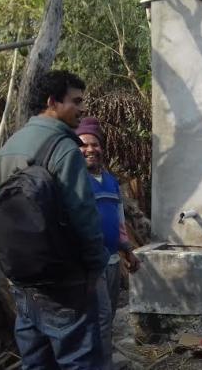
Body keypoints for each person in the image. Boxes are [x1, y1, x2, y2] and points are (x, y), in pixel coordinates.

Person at [0, 70, 109, 368]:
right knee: (79, 360)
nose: (82, 109)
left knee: (37, 363)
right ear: (51, 102)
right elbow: (84, 215)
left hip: (23, 281)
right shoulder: (63, 149)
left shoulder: (7, 149)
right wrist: (96, 267)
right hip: (64, 283)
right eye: (76, 101)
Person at [76, 117, 140, 369]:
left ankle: (101, 358)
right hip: (90, 264)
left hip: (113, 260)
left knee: (109, 313)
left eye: (95, 144)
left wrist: (127, 250)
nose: (90, 149)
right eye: (83, 145)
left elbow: (119, 221)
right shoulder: (74, 182)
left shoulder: (111, 181)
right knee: (99, 316)